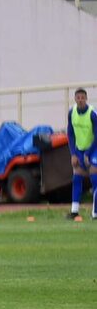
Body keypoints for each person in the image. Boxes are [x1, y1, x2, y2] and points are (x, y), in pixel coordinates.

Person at [68, 88, 95, 222]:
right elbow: (70, 133)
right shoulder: (71, 112)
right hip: (79, 150)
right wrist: (73, 153)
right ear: (75, 99)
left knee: (94, 179)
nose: (80, 100)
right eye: (78, 98)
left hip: (93, 149)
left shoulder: (92, 114)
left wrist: (88, 153)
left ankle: (95, 212)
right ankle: (74, 211)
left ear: (86, 99)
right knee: (76, 178)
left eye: (82, 98)